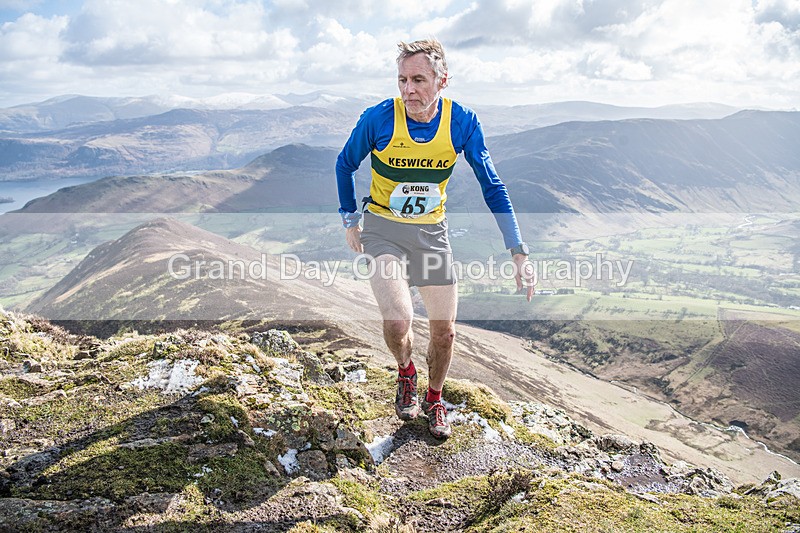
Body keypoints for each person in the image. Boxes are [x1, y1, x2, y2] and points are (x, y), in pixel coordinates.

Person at [335, 38, 535, 439]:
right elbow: (344, 163)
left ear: (442, 81)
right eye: (402, 80)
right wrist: (350, 220)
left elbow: (492, 186)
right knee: (398, 320)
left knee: (445, 332)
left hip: (431, 233)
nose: (408, 89)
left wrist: (518, 251)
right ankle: (406, 372)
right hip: (384, 230)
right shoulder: (379, 118)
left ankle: (434, 397)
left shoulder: (462, 122)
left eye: (418, 80)